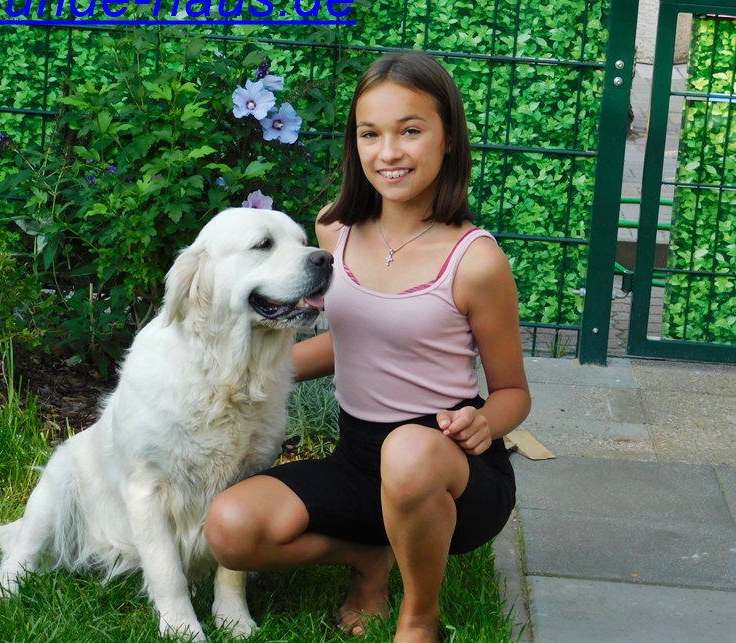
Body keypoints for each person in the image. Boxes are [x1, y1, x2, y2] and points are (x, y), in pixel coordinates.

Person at [204, 51, 531, 643]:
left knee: (408, 453)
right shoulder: (335, 229)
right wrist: (245, 374)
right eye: (369, 133)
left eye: (411, 131)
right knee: (229, 529)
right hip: (360, 460)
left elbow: (513, 392)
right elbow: (351, 342)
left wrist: (484, 422)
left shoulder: (477, 261)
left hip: (451, 468)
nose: (388, 152)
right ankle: (366, 556)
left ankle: (419, 618)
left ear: (449, 138)